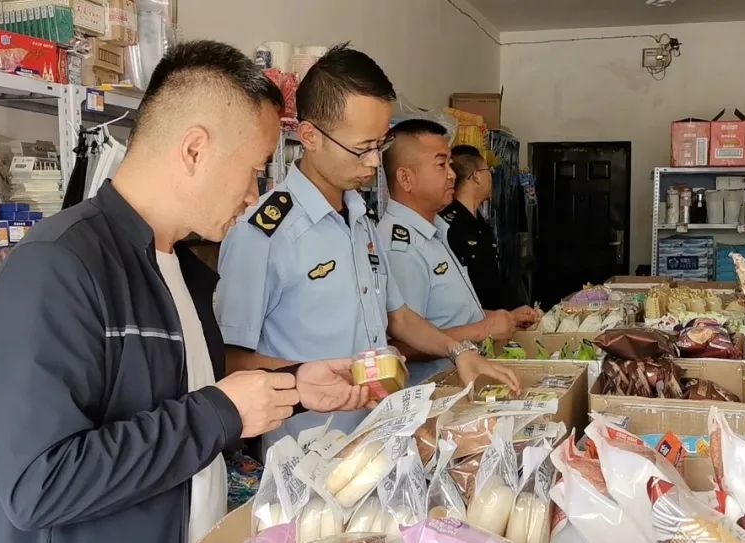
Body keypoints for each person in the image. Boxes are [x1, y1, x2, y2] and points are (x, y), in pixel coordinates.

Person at [0, 41, 373, 543]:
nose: (254, 194)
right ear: (195, 149)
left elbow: (175, 394)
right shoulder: (57, 268)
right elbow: (38, 484)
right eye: (254, 170)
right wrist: (223, 412)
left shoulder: (178, 265)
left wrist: (293, 386)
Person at [216, 44, 519, 448]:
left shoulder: (360, 218)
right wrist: (309, 380)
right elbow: (231, 361)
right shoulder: (264, 233)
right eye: (362, 148)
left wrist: (460, 350)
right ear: (310, 136)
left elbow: (400, 317)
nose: (375, 162)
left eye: (381, 145)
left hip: (379, 434)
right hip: (310, 448)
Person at [377, 119, 528, 381]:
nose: (452, 175)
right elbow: (400, 348)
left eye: (450, 164)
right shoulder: (400, 248)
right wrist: (482, 329)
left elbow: (449, 316)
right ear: (405, 178)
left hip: (462, 380)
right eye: (441, 165)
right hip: (433, 390)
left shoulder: (435, 230)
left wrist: (493, 318)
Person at [442, 144, 537, 325]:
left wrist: (510, 314)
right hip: (469, 326)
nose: (492, 176)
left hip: (494, 323)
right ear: (476, 176)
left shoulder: (481, 223)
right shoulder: (449, 226)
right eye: (489, 170)